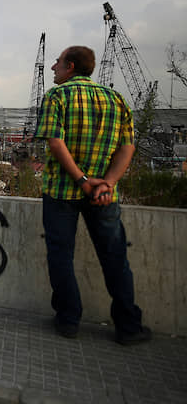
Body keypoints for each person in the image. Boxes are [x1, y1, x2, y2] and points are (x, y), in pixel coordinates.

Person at [34, 45, 151, 345]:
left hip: (62, 192)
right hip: (104, 196)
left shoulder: (57, 97)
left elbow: (56, 143)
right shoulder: (116, 99)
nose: (52, 68)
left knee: (61, 256)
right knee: (115, 258)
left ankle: (68, 320)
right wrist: (107, 183)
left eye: (57, 63)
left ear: (70, 66)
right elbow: (128, 147)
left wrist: (83, 180)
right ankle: (128, 326)